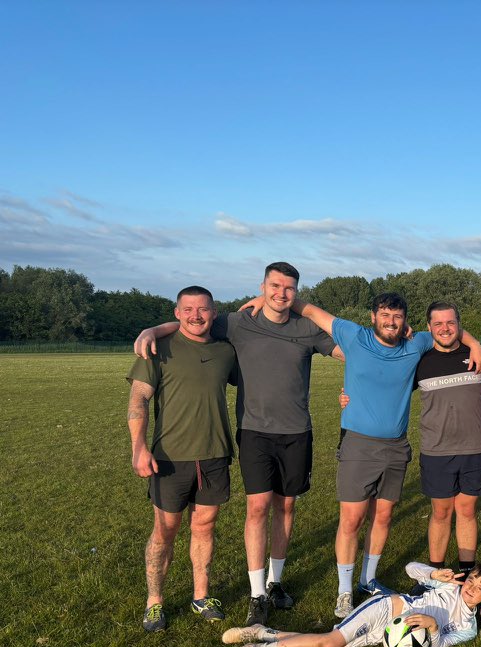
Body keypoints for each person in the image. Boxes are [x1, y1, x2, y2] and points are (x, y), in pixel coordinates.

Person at [135, 262, 342, 627]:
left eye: (289, 288)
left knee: (281, 508)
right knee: (254, 509)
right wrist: (151, 329)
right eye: (274, 286)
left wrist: (353, 384)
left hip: (289, 433)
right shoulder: (237, 323)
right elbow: (189, 323)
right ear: (262, 286)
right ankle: (252, 593)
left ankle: (269, 584)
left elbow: (353, 350)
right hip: (250, 433)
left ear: (297, 292)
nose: (281, 293)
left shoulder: (305, 328)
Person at [256, 292, 481, 619]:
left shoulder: (416, 344)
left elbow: (448, 328)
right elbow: (306, 307)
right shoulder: (353, 335)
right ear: (373, 316)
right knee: (352, 519)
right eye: (385, 315)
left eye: (397, 317)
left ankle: (369, 579)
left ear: (405, 320)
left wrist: (475, 344)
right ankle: (344, 590)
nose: (391, 322)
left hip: (396, 446)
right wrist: (264, 299)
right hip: (358, 445)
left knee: (382, 517)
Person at [127, 286, 236, 631]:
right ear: (176, 313)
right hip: (170, 459)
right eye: (187, 310)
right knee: (165, 531)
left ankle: (200, 596)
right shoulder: (158, 349)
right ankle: (154, 602)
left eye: (203, 309)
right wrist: (138, 447)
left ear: (214, 313)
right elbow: (139, 399)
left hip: (215, 454)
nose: (195, 316)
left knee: (204, 527)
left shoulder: (225, 350)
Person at [221, 562, 481, 647]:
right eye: (471, 581)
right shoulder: (449, 584)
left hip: (390, 635)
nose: (471, 589)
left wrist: (431, 627)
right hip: (387, 608)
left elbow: (440, 644)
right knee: (329, 643)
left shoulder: (469, 628)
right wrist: (432, 573)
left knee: (328, 645)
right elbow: (409, 569)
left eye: (480, 589)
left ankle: (260, 632)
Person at [413, 302, 481, 579]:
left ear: (459, 325)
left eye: (450, 323)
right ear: (429, 328)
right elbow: (387, 384)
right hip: (437, 450)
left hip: (475, 447)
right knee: (440, 512)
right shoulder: (420, 360)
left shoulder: (477, 353)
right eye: (438, 324)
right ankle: (435, 575)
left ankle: (466, 572)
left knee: (467, 510)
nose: (444, 328)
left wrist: (473, 391)